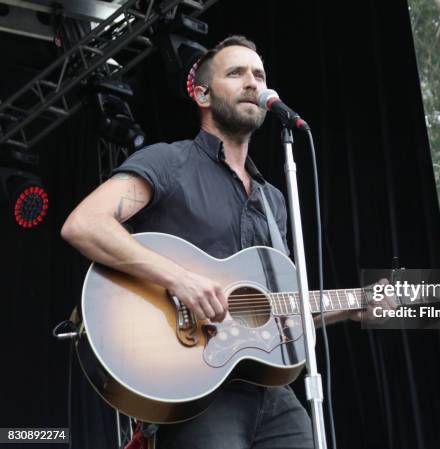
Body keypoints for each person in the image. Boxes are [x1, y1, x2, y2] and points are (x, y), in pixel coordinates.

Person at [62, 35, 359, 449]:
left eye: (259, 74)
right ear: (201, 93)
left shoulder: (273, 199)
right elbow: (85, 224)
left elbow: (274, 306)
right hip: (195, 386)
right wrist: (179, 279)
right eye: (236, 73)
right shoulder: (170, 162)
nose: (252, 83)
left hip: (270, 392)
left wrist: (357, 304)